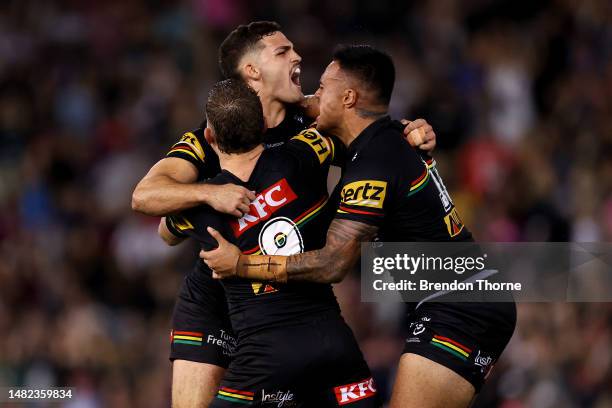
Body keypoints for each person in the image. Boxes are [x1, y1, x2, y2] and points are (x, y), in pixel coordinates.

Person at [132, 21, 438, 407]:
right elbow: (146, 198)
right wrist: (212, 193)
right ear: (252, 72)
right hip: (217, 296)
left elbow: (367, 128)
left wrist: (410, 131)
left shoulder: (311, 119)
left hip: (291, 303)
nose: (297, 57)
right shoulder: (209, 136)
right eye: (282, 52)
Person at [201, 45, 516, 408]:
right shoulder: (380, 141)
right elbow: (308, 107)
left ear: (348, 97)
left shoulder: (374, 165)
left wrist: (241, 265)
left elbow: (333, 264)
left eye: (323, 87)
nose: (314, 95)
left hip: (461, 300)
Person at [160, 78, 380, 407]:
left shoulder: (199, 209)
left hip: (264, 358)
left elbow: (164, 229)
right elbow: (359, 133)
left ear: (209, 137)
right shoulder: (306, 153)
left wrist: (204, 192)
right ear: (264, 125)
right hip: (333, 342)